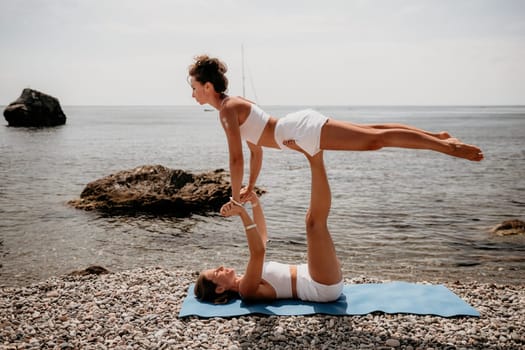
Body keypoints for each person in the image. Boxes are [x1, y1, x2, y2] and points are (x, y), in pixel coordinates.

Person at [188, 55, 484, 205]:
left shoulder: (227, 110)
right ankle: (439, 138)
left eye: (194, 88)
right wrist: (249, 187)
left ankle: (446, 147)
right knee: (374, 133)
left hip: (300, 131)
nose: (193, 94)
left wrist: (233, 197)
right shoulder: (233, 105)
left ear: (208, 86)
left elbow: (236, 159)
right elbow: (254, 150)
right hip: (296, 128)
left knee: (374, 140)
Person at [194, 150, 343, 303]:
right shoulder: (246, 290)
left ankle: (315, 155)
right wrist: (242, 213)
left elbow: (262, 237)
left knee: (313, 219)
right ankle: (315, 155)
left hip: (316, 273)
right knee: (313, 223)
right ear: (220, 289)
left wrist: (254, 201)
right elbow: (258, 252)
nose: (220, 267)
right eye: (216, 273)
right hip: (320, 286)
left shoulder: (247, 277)